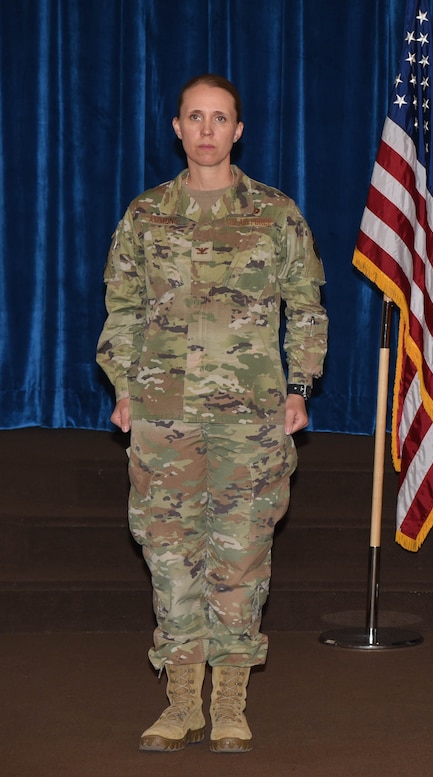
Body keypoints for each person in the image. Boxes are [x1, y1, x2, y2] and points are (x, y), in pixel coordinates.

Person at [96, 74, 328, 753]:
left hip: (251, 419)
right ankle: (179, 702)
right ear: (176, 128)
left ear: (238, 129)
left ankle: (229, 701)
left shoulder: (276, 215)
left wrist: (299, 386)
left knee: (240, 556)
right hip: (164, 417)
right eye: (194, 117)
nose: (206, 129)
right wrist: (123, 386)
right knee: (170, 558)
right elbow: (122, 312)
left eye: (219, 118)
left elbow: (307, 308)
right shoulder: (147, 216)